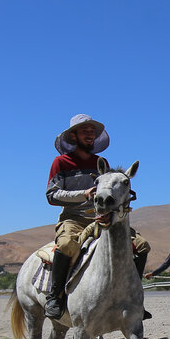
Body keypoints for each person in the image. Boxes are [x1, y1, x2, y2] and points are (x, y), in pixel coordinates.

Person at [44, 114, 110, 320]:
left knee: (140, 244)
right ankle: (55, 297)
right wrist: (83, 194)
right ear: (73, 136)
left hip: (101, 218)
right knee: (65, 245)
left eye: (92, 131)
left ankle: (132, 299)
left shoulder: (101, 162)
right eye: (85, 131)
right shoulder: (61, 162)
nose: (90, 134)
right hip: (73, 218)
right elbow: (52, 195)